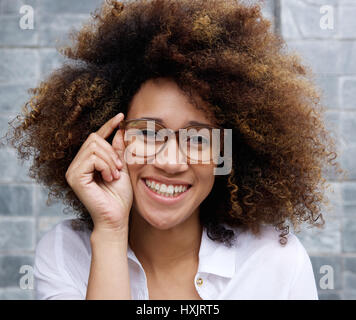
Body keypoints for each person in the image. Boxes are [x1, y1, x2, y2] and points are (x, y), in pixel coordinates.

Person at [2, 0, 344, 300]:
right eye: (150, 133)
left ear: (227, 153)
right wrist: (110, 232)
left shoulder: (276, 261)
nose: (171, 161)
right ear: (111, 136)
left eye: (198, 139)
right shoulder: (66, 253)